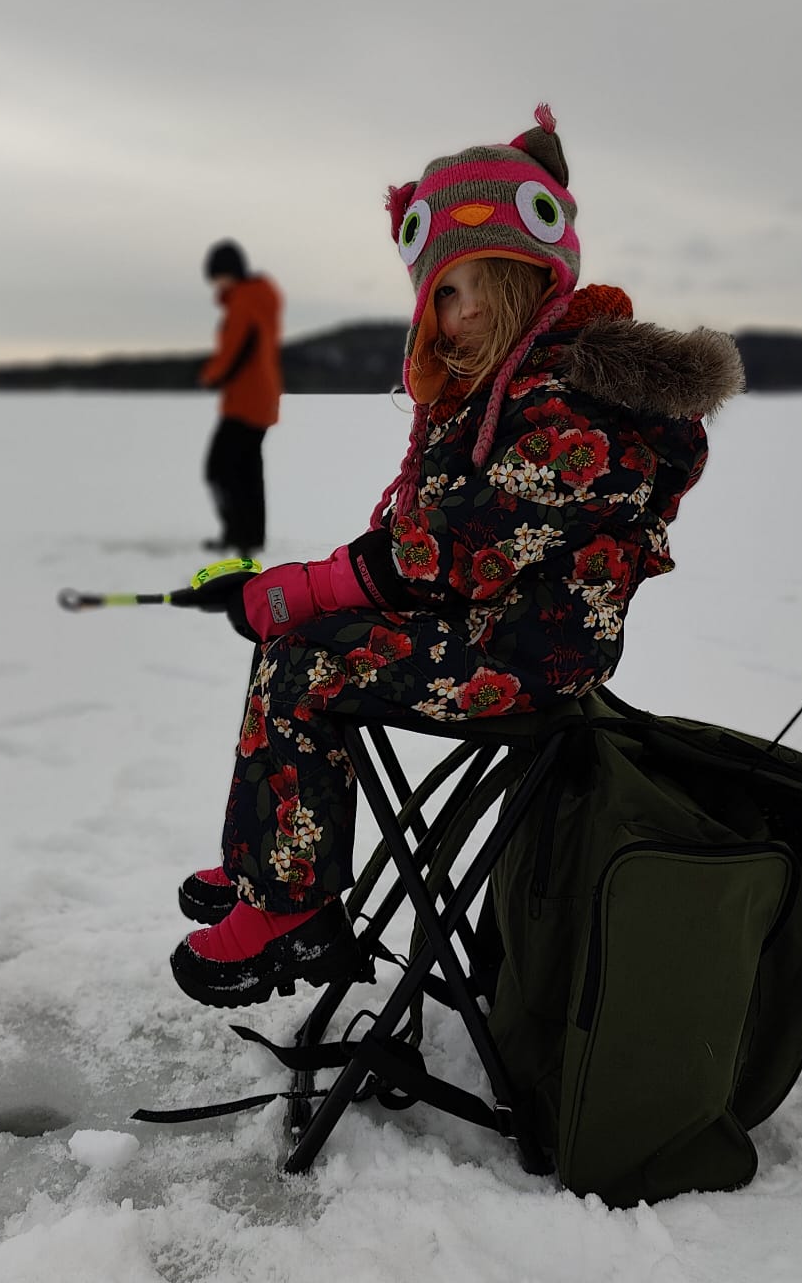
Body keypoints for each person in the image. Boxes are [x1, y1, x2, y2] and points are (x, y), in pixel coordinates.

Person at [170, 106, 745, 1007]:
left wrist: (306, 589)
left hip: (529, 653)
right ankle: (270, 863)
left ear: (538, 278)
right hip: (479, 620)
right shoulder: (493, 390)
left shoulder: (572, 399)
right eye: (444, 290)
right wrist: (304, 589)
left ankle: (296, 909)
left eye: (489, 282)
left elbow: (456, 551)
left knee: (309, 660)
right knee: (291, 646)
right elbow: (426, 538)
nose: (463, 309)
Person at [200, 240, 283, 557]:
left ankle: (238, 534)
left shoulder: (244, 301)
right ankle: (250, 537)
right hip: (260, 397)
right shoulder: (260, 296)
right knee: (247, 469)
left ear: (228, 273)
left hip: (245, 401)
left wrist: (212, 375)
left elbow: (236, 347)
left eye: (217, 276)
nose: (215, 284)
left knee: (219, 469)